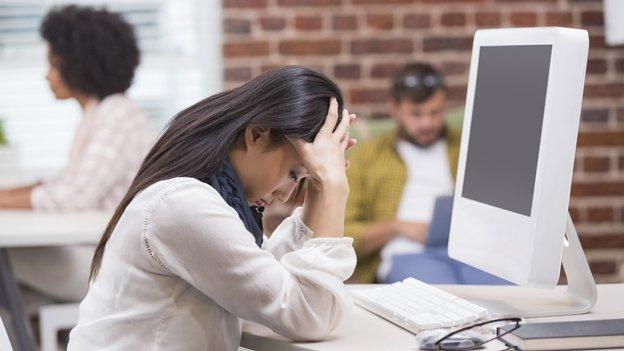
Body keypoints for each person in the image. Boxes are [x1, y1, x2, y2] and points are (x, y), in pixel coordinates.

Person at [67, 66, 358, 350]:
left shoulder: (209, 194)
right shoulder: (185, 205)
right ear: (257, 135)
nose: (287, 194)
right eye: (294, 174)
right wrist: (334, 188)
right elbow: (308, 315)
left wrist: (321, 187)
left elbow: (270, 280)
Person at [0, 5, 154, 301]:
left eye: (54, 64)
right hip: (98, 254)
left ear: (80, 64)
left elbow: (72, 197)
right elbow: (58, 185)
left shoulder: (117, 115)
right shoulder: (98, 114)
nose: (47, 76)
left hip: (111, 267)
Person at [345, 63, 461, 283]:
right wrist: (397, 226)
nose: (427, 123)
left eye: (435, 113)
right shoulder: (369, 157)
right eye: (416, 114)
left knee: (511, 293)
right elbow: (343, 234)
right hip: (407, 253)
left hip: (466, 252)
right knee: (443, 293)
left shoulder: (463, 147)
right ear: (394, 109)